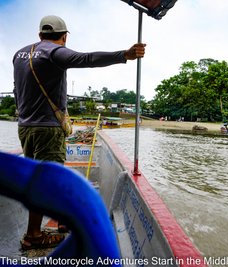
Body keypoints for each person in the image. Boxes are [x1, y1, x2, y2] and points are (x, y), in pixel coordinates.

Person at [13, 15, 145, 250]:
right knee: (48, 179)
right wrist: (124, 55)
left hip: (26, 126)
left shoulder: (19, 54)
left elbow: (16, 90)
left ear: (40, 34)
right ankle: (33, 234)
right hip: (48, 129)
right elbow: (86, 59)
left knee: (37, 174)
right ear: (63, 37)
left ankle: (62, 220)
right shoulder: (55, 52)